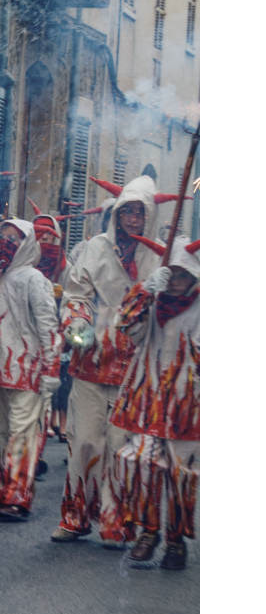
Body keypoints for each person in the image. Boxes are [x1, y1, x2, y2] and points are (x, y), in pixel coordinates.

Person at [52, 174, 169, 546]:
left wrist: (162, 290)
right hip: (92, 359)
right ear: (117, 214)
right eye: (127, 212)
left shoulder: (159, 255)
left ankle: (115, 520)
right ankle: (74, 516)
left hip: (134, 370)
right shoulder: (94, 249)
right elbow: (76, 295)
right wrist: (77, 324)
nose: (133, 220)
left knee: (122, 447)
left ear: (148, 216)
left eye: (140, 213)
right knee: (84, 440)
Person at [111, 236, 200, 569]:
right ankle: (148, 531)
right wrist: (145, 291)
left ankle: (175, 541)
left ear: (194, 274)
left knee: (181, 475)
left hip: (187, 408)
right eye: (171, 273)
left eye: (182, 274)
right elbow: (125, 325)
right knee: (140, 464)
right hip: (147, 403)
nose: (176, 281)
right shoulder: (152, 305)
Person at [0, 218, 60, 520]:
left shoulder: (35, 279)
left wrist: (51, 367)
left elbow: (48, 325)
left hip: (28, 369)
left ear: (26, 243)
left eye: (13, 238)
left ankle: (17, 497)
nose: (6, 242)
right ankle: (4, 488)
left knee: (22, 433)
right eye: (2, 237)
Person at [30, 213, 67, 478]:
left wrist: (61, 298)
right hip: (21, 346)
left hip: (48, 344)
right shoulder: (25, 263)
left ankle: (34, 455)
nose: (45, 241)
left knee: (42, 405)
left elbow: (76, 299)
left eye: (49, 236)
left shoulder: (63, 267)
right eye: (40, 236)